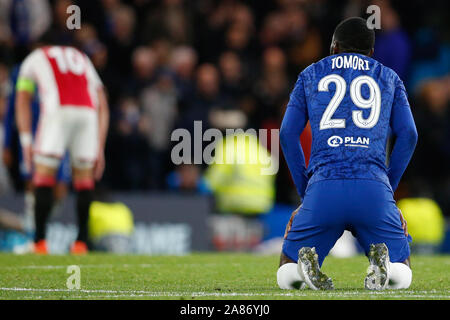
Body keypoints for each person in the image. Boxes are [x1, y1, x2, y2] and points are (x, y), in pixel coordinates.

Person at [277, 17, 417, 291]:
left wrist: (306, 193)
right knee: (403, 275)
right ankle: (385, 267)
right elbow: (409, 134)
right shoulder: (389, 77)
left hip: (324, 186)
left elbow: (287, 134)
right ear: (372, 54)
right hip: (373, 188)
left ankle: (303, 267)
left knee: (286, 273)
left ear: (334, 48)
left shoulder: (311, 74)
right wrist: (388, 187)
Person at [15, 44, 110, 254]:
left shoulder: (35, 57)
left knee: (43, 176)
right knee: (84, 180)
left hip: (58, 112)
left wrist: (25, 141)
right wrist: (99, 147)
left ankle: (40, 243)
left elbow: (22, 99)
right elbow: (102, 101)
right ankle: (81, 243)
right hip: (88, 114)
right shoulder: (81, 55)